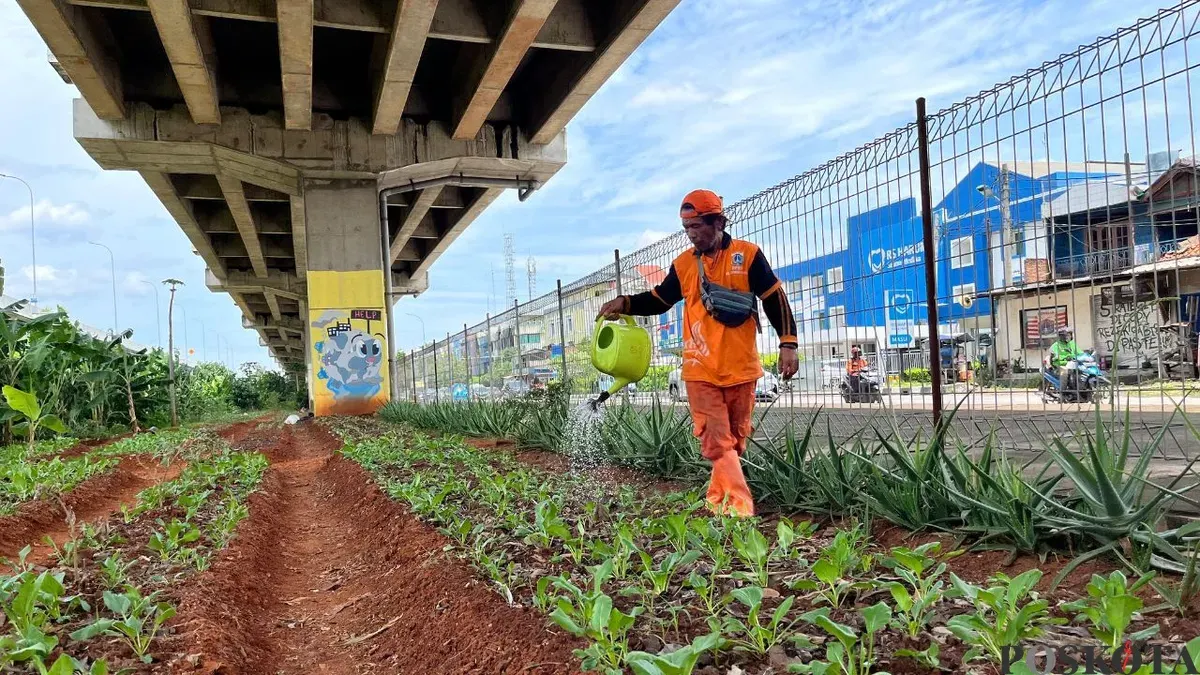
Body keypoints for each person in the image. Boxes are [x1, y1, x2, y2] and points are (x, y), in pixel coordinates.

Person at [597, 189, 798, 517]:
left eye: (697, 226)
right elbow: (660, 299)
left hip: (742, 369)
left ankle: (718, 501)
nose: (692, 234)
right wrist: (626, 302)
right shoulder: (684, 265)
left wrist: (788, 343)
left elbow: (774, 297)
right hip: (699, 369)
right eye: (687, 228)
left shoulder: (748, 256)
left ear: (718, 222)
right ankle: (739, 509)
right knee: (716, 442)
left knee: (735, 442)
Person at [1049, 326, 1082, 393]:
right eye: (1066, 335)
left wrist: (1086, 355)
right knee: (1065, 372)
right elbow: (1055, 356)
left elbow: (1080, 353)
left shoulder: (1072, 344)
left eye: (1069, 335)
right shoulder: (1056, 345)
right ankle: (1062, 391)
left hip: (1072, 364)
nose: (1068, 337)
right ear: (1061, 336)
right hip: (1060, 364)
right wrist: (1065, 357)